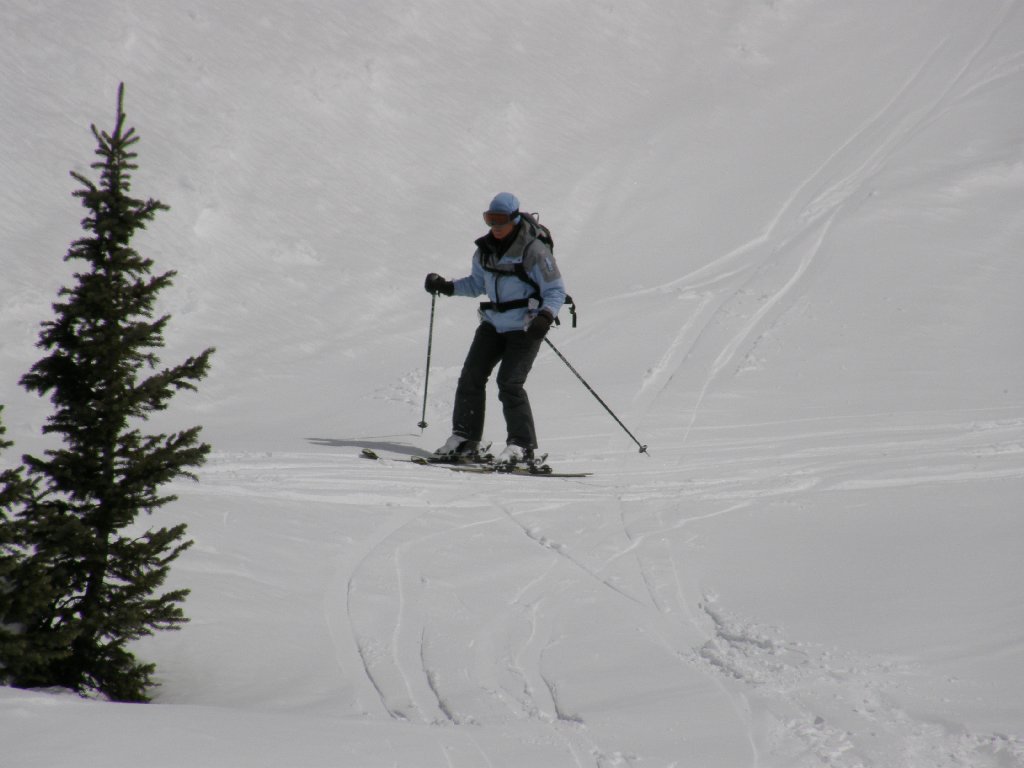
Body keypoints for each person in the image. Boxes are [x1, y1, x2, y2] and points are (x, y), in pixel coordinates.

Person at [424, 192, 567, 465]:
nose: (495, 226)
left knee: (509, 383)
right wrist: (448, 286)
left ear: (514, 219)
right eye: (490, 220)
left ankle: (521, 447)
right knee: (470, 377)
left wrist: (545, 317)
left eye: (500, 220)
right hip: (493, 324)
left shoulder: (534, 250)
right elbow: (477, 284)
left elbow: (556, 290)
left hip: (525, 327)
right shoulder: (484, 251)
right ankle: (465, 439)